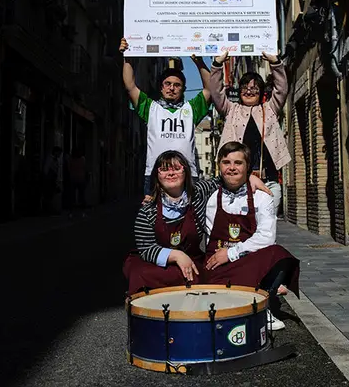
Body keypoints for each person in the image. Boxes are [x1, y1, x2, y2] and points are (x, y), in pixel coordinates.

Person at [123, 150, 271, 295]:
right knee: (141, 273)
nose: (171, 173)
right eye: (164, 169)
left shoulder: (198, 194)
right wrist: (176, 256)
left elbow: (227, 177)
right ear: (157, 175)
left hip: (191, 260)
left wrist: (250, 177)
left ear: (186, 172)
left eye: (177, 168)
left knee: (195, 275)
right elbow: (147, 249)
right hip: (160, 264)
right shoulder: (148, 210)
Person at [204, 142, 300, 330]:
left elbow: (266, 237)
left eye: (238, 163)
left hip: (247, 262)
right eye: (226, 162)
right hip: (217, 264)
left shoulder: (262, 197)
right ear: (219, 166)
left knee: (278, 254)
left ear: (248, 167)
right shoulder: (208, 195)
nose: (232, 168)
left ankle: (262, 305)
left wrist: (231, 253)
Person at [119, 38, 212, 196]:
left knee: (188, 220)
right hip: (155, 174)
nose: (172, 88)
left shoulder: (191, 108)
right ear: (161, 88)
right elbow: (130, 86)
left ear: (183, 89)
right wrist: (127, 57)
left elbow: (210, 89)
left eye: (177, 85)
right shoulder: (151, 108)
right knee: (155, 220)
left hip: (188, 175)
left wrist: (199, 62)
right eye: (167, 84)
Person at [209, 51, 291, 216]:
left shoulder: (270, 108)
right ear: (239, 92)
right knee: (241, 226)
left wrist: (275, 63)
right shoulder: (231, 110)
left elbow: (281, 89)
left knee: (267, 228)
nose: (249, 91)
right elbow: (216, 93)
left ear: (261, 92)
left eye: (254, 88)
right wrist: (217, 65)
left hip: (269, 180)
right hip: (238, 183)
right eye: (245, 88)